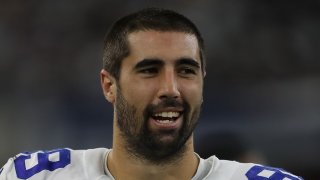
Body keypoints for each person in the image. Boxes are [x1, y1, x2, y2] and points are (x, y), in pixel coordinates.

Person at [0, 8, 303, 180]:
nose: (170, 89)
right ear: (109, 86)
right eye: (149, 70)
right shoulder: (36, 176)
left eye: (186, 70)